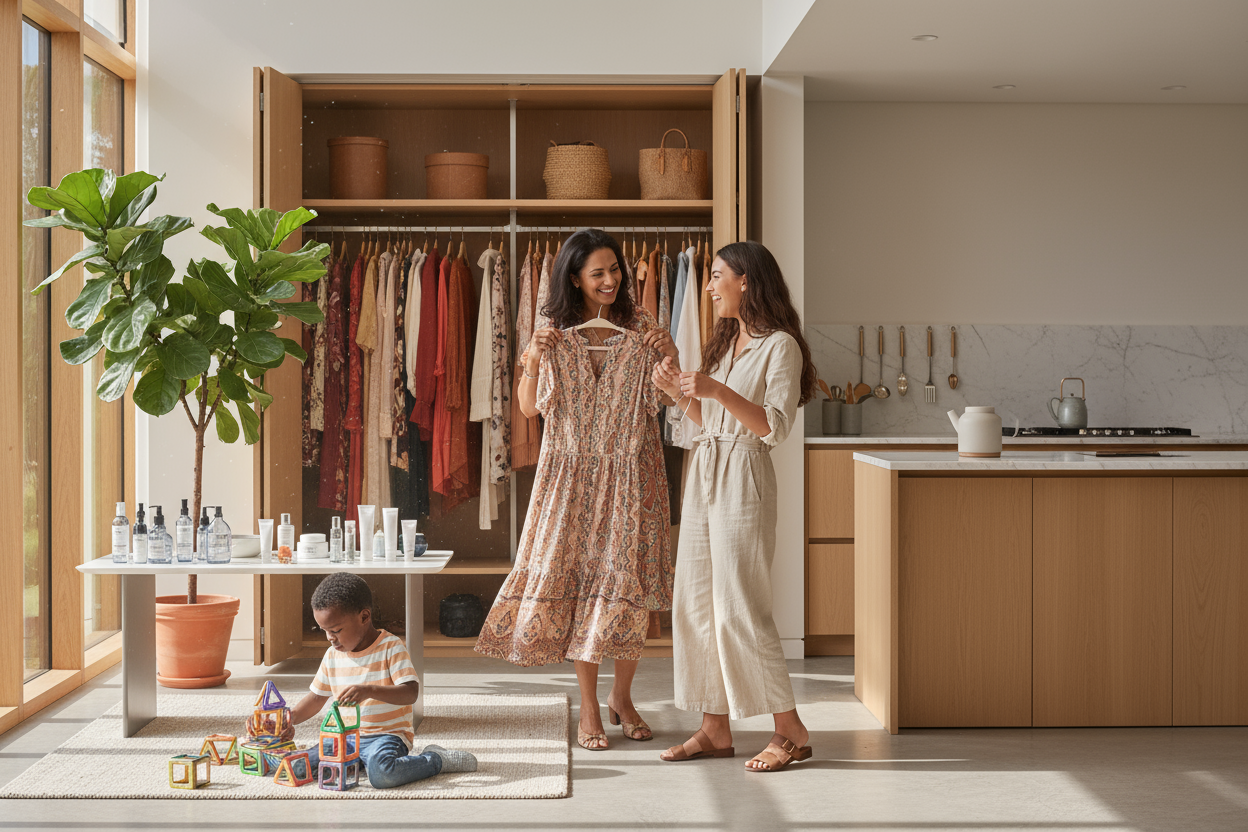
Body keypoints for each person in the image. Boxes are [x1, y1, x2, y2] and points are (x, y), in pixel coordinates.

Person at [475, 228, 679, 751]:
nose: (611, 280)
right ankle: (589, 704)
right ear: (575, 278)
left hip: (631, 476)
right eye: (598, 272)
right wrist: (534, 358)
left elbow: (674, 400)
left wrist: (669, 353)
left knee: (626, 589)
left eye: (616, 270)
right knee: (583, 585)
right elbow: (526, 409)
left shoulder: (643, 332)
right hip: (567, 480)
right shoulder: (553, 337)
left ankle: (624, 696)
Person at [652, 241, 818, 772]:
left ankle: (790, 730)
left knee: (740, 605)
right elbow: (710, 420)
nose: (708, 285)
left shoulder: (781, 347)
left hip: (745, 476)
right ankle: (714, 729)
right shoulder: (726, 344)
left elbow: (772, 426)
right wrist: (680, 396)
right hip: (705, 472)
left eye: (716, 275)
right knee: (696, 603)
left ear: (745, 280)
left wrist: (716, 391)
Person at [249, 572, 477, 788]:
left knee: (383, 775)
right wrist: (289, 720)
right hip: (343, 737)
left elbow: (410, 692)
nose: (330, 638)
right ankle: (355, 763)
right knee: (293, 765)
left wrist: (369, 690)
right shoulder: (332, 655)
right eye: (324, 631)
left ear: (364, 617)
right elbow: (316, 698)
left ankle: (435, 759)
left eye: (336, 630)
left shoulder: (391, 647)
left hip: (386, 737)